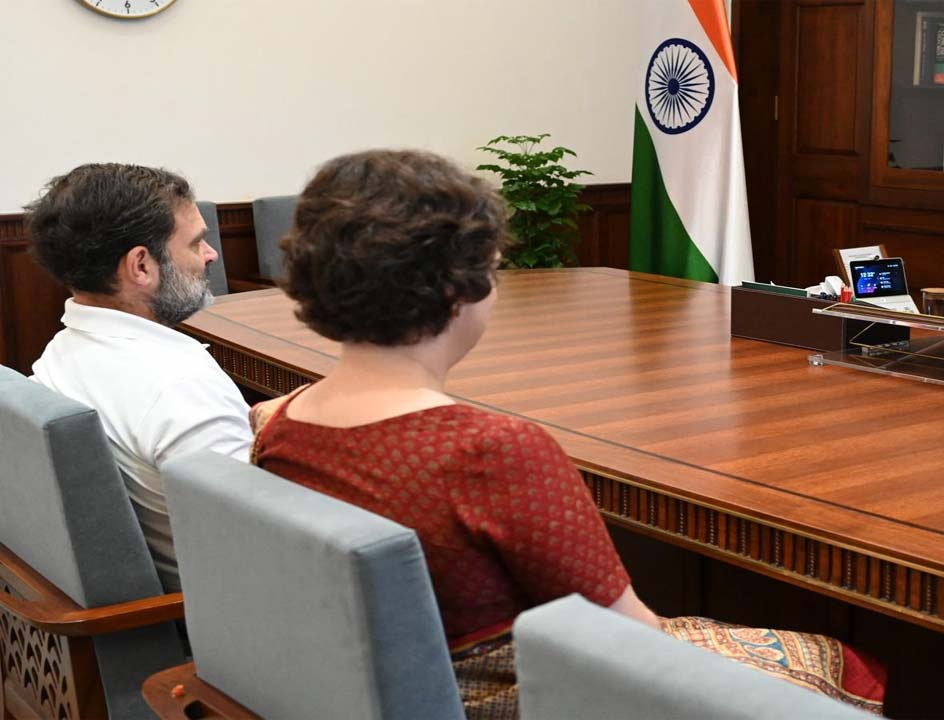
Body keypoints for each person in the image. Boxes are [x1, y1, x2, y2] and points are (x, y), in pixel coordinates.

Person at [253, 149, 885, 719]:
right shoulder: (488, 453)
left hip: (372, 691)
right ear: (456, 289)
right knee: (845, 663)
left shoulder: (280, 424)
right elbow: (634, 645)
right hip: (534, 696)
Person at [28, 163, 252, 592]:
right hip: (222, 625)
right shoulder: (179, 389)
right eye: (197, 242)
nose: (212, 255)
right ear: (141, 266)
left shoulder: (62, 351)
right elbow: (263, 548)